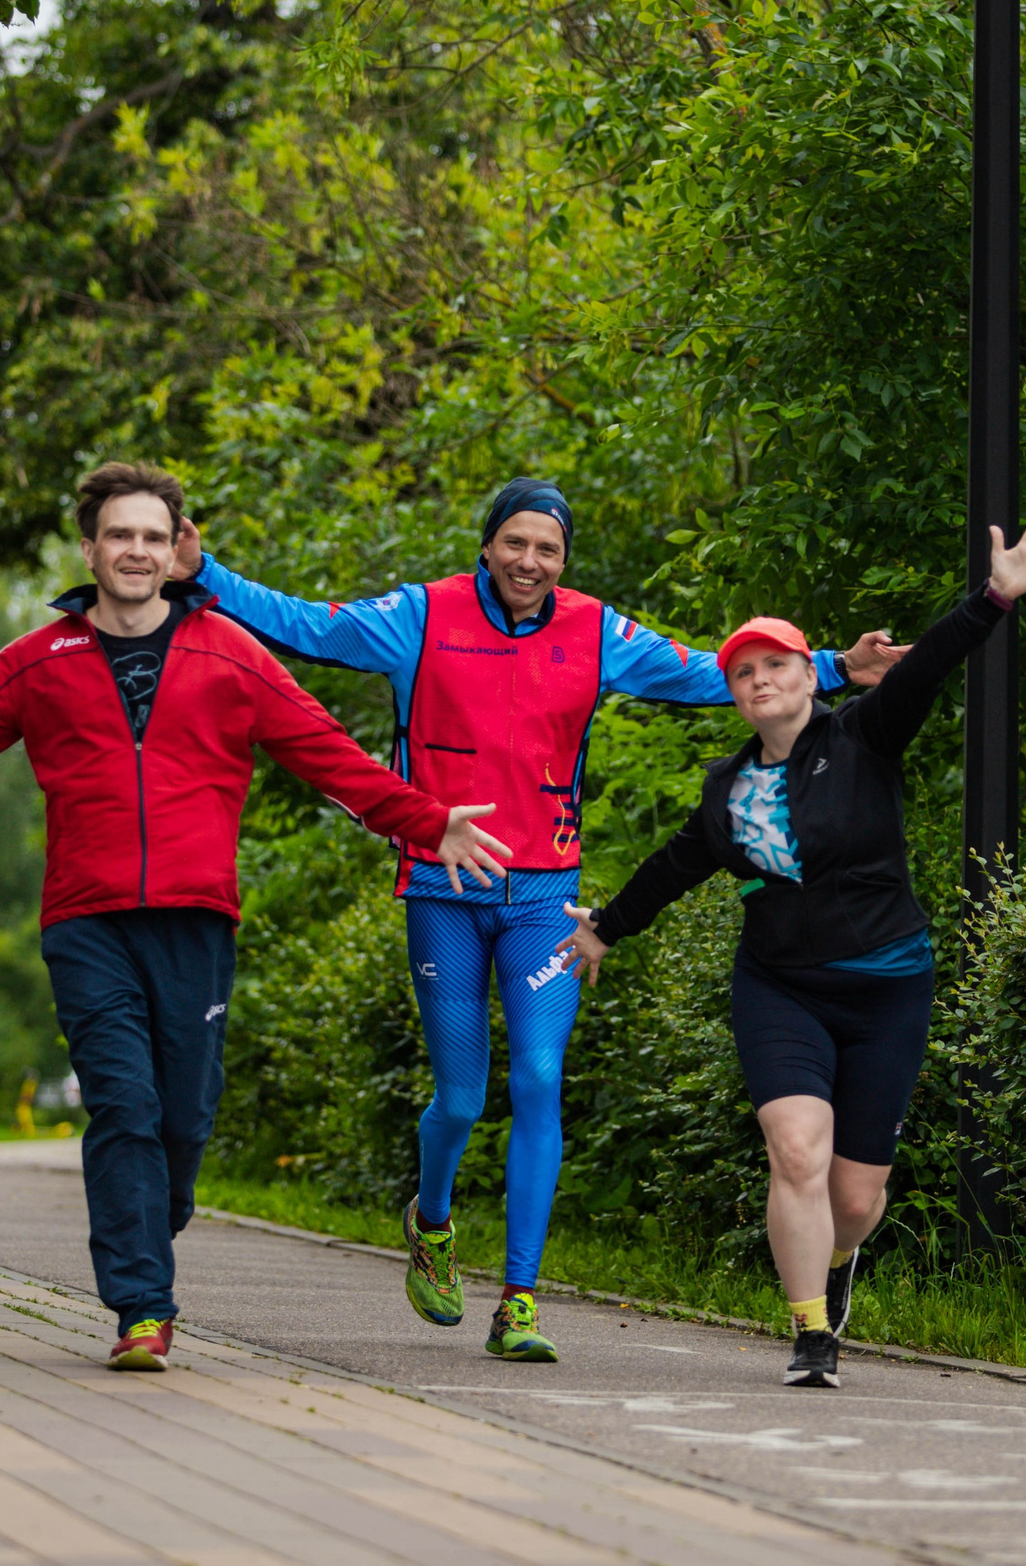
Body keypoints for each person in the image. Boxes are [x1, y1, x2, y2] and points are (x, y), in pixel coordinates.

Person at [0, 462, 513, 1373]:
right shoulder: (37, 662)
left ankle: (150, 1215)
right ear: (90, 548)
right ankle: (143, 1305)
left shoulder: (231, 655)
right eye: (119, 535)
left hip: (195, 919)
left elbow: (330, 756)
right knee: (123, 1108)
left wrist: (427, 820)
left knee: (181, 1122)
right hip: (88, 920)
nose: (136, 551)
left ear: (178, 549)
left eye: (153, 536)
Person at [168, 481, 908, 1361]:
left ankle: (519, 1299)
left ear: (564, 560)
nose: (529, 562)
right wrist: (202, 571)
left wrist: (832, 667)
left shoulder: (593, 630)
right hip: (444, 884)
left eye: (548, 549)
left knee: (541, 1078)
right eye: (514, 543)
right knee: (461, 1096)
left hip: (543, 893)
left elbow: (710, 672)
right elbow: (308, 626)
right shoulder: (420, 615)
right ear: (487, 546)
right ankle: (433, 1221)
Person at [556, 511, 1026, 1388]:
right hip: (780, 987)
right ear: (736, 695)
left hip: (887, 989)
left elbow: (936, 661)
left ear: (810, 675)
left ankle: (839, 1268)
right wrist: (605, 925)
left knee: (857, 1199)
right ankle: (810, 1336)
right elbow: (678, 864)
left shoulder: (864, 736)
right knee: (795, 1149)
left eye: (777, 665)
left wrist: (994, 597)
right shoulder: (727, 787)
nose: (761, 681)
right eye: (744, 673)